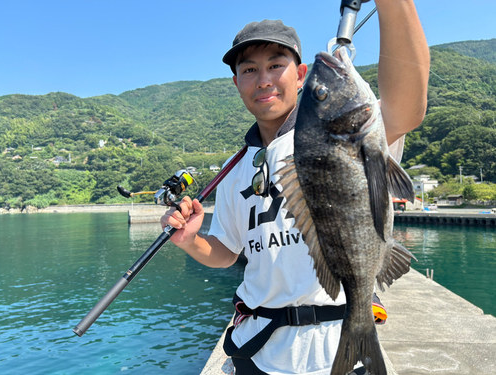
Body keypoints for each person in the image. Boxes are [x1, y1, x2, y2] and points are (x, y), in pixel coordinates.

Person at [161, 1, 430, 373]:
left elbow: (409, 108)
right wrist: (191, 239)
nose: (264, 79)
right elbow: (227, 253)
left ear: (301, 74)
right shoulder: (233, 168)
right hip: (255, 352)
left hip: (333, 347)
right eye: (249, 70)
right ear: (236, 82)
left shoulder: (346, 134)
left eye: (276, 65)